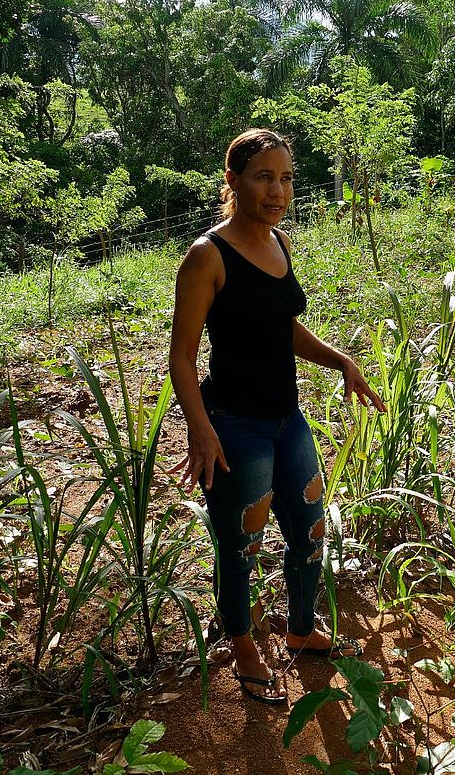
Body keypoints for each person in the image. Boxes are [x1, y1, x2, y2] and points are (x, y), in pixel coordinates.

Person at [169, 128, 386, 706]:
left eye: (287, 177)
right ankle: (243, 644)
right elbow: (182, 358)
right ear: (233, 180)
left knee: (311, 527)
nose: (278, 189)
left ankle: (298, 624)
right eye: (264, 176)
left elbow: (282, 328)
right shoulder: (206, 257)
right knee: (241, 541)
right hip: (236, 425)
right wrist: (201, 428)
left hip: (287, 419)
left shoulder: (279, 243)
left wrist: (341, 360)